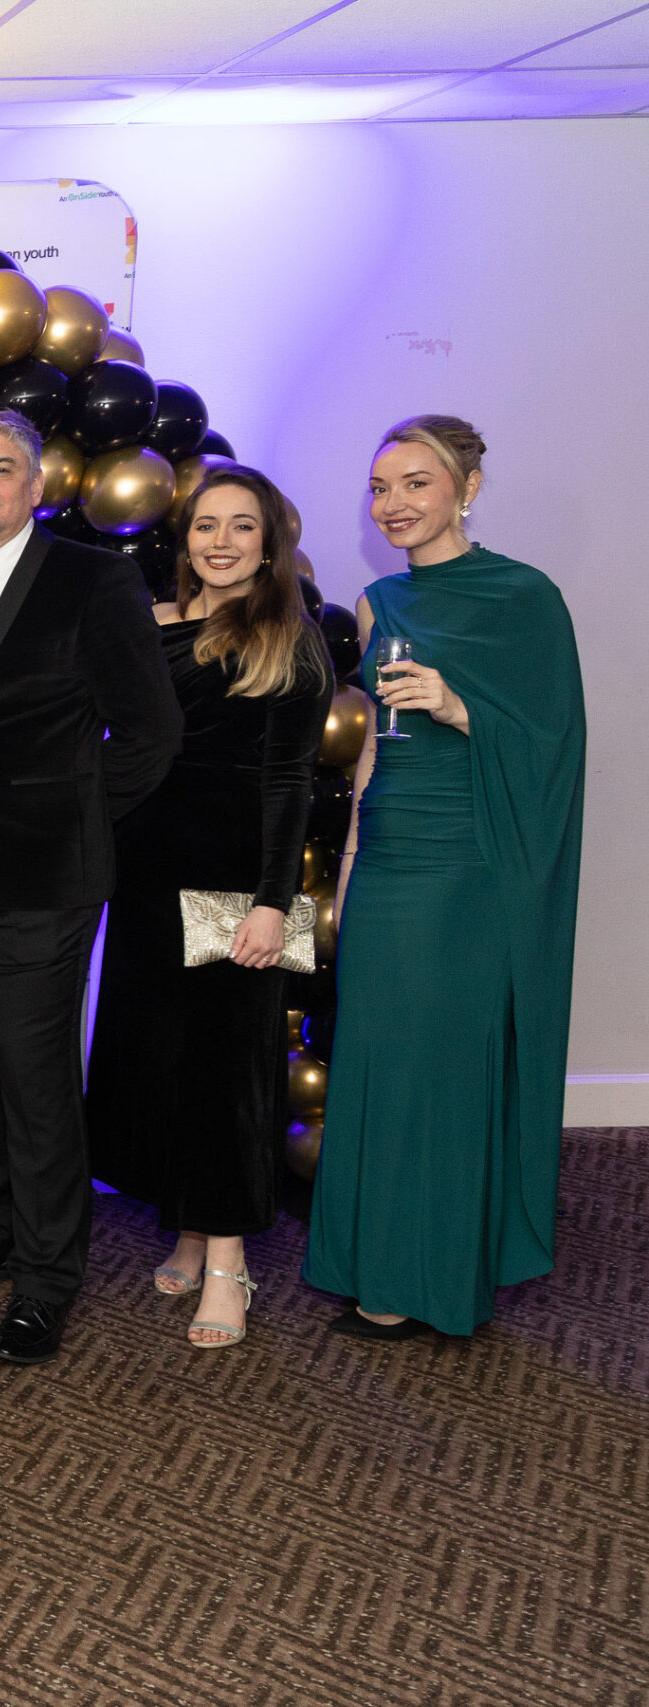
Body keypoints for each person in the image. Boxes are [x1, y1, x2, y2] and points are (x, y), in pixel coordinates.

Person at [0, 409, 180, 1366]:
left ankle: (47, 1276)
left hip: (43, 877)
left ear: (37, 485)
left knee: (36, 1078)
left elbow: (150, 733)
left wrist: (74, 818)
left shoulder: (95, 579)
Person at [305, 416, 584, 1340]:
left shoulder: (525, 596)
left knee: (441, 1067)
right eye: (380, 488)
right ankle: (380, 1262)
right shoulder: (377, 600)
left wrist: (461, 706)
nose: (393, 504)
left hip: (470, 860)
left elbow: (555, 747)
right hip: (389, 855)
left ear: (466, 488)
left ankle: (428, 1277)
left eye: (415, 483)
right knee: (379, 1059)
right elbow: (373, 753)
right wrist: (351, 862)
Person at [84, 464, 332, 1349]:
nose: (220, 542)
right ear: (184, 540)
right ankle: (189, 1226)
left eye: (241, 526)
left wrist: (273, 903)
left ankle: (228, 1263)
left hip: (237, 886)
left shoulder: (289, 637)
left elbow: (292, 781)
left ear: (269, 544)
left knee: (228, 1075)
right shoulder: (148, 624)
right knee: (162, 1062)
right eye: (205, 526)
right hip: (146, 880)